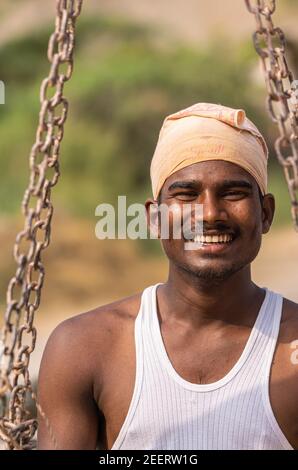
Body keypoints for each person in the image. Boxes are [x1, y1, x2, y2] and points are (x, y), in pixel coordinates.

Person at [37, 102, 298, 450]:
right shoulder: (84, 348)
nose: (209, 214)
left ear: (265, 214)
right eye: (186, 194)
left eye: (233, 192)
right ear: (155, 218)